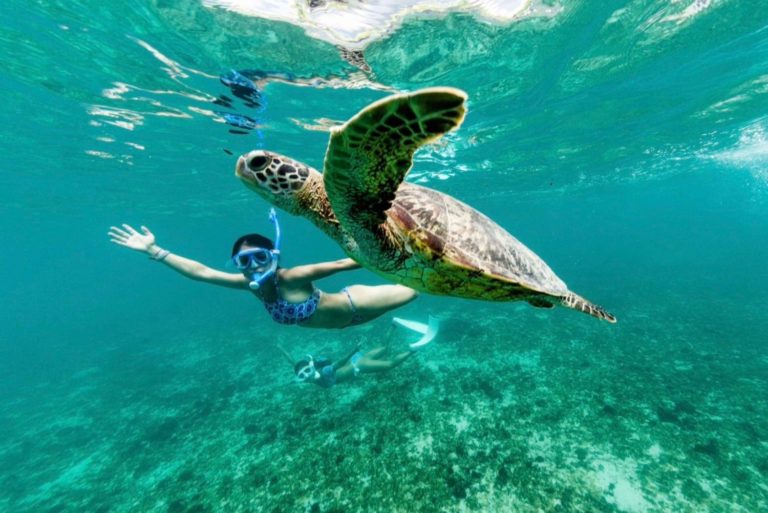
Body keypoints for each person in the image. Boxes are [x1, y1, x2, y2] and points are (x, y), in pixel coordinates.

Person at [107, 209, 417, 329]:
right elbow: (201, 272)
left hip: (356, 304)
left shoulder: (293, 276)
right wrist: (155, 251)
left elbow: (342, 263)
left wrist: (395, 249)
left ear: (274, 256)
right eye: (244, 261)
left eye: (259, 257)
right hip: (348, 322)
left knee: (417, 289)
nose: (253, 266)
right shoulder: (250, 287)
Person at [278, 340, 422, 388]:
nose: (306, 377)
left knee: (390, 364)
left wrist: (354, 349)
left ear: (311, 368)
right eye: (302, 376)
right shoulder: (310, 376)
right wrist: (281, 349)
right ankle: (394, 325)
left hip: (358, 365)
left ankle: (412, 351)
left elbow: (340, 362)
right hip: (357, 361)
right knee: (385, 349)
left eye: (306, 372)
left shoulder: (325, 372)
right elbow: (293, 361)